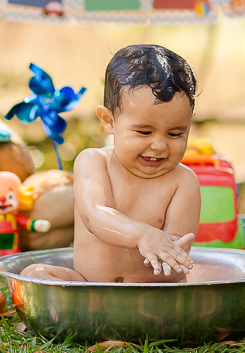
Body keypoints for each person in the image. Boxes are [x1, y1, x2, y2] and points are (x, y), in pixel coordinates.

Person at [21, 44, 201, 283]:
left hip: (153, 294)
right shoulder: (94, 162)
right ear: (109, 120)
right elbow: (95, 215)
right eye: (144, 132)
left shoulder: (183, 181)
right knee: (34, 274)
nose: (159, 145)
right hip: (90, 288)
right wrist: (143, 235)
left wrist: (169, 251)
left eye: (175, 134)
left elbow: (176, 249)